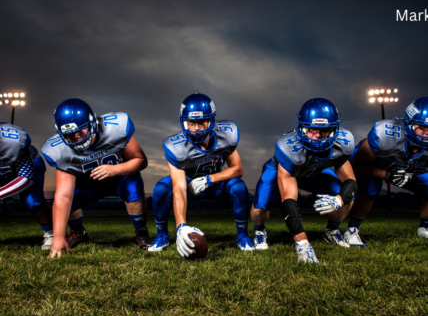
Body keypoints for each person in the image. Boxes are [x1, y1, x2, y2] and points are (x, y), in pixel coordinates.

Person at [250, 98, 358, 262]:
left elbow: (351, 182)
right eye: (311, 129)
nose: (317, 135)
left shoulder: (343, 143)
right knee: (261, 206)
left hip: (314, 172)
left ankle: (332, 231)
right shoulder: (287, 148)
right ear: (301, 127)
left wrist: (339, 199)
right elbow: (289, 201)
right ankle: (259, 231)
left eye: (324, 130)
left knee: (347, 195)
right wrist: (302, 243)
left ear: (334, 129)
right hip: (283, 169)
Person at [41, 98, 149, 258]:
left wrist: (116, 169)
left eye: (81, 131)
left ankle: (141, 231)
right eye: (70, 134)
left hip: (120, 177)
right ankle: (77, 232)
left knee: (134, 188)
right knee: (67, 201)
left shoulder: (116, 128)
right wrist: (58, 237)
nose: (77, 137)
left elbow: (141, 160)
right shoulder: (59, 150)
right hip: (88, 183)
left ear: (92, 123)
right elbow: (63, 195)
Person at [150, 93, 253, 256]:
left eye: (201, 122)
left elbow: (237, 169)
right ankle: (162, 235)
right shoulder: (175, 146)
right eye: (191, 123)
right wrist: (181, 226)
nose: (196, 128)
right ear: (184, 122)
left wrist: (210, 179)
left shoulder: (225, 135)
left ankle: (242, 236)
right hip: (188, 183)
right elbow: (178, 186)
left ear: (211, 121)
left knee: (239, 188)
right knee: (160, 189)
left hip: (215, 183)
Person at [347, 97, 428, 246]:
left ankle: (425, 227)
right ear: (409, 123)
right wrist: (387, 175)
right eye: (422, 127)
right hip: (374, 164)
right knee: (371, 189)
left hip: (409, 167)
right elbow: (357, 165)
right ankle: (352, 230)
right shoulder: (385, 134)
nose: (426, 133)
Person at [0, 122, 53, 249]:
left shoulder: (12, 143)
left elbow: (26, 178)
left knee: (32, 200)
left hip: (24, 166)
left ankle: (51, 233)